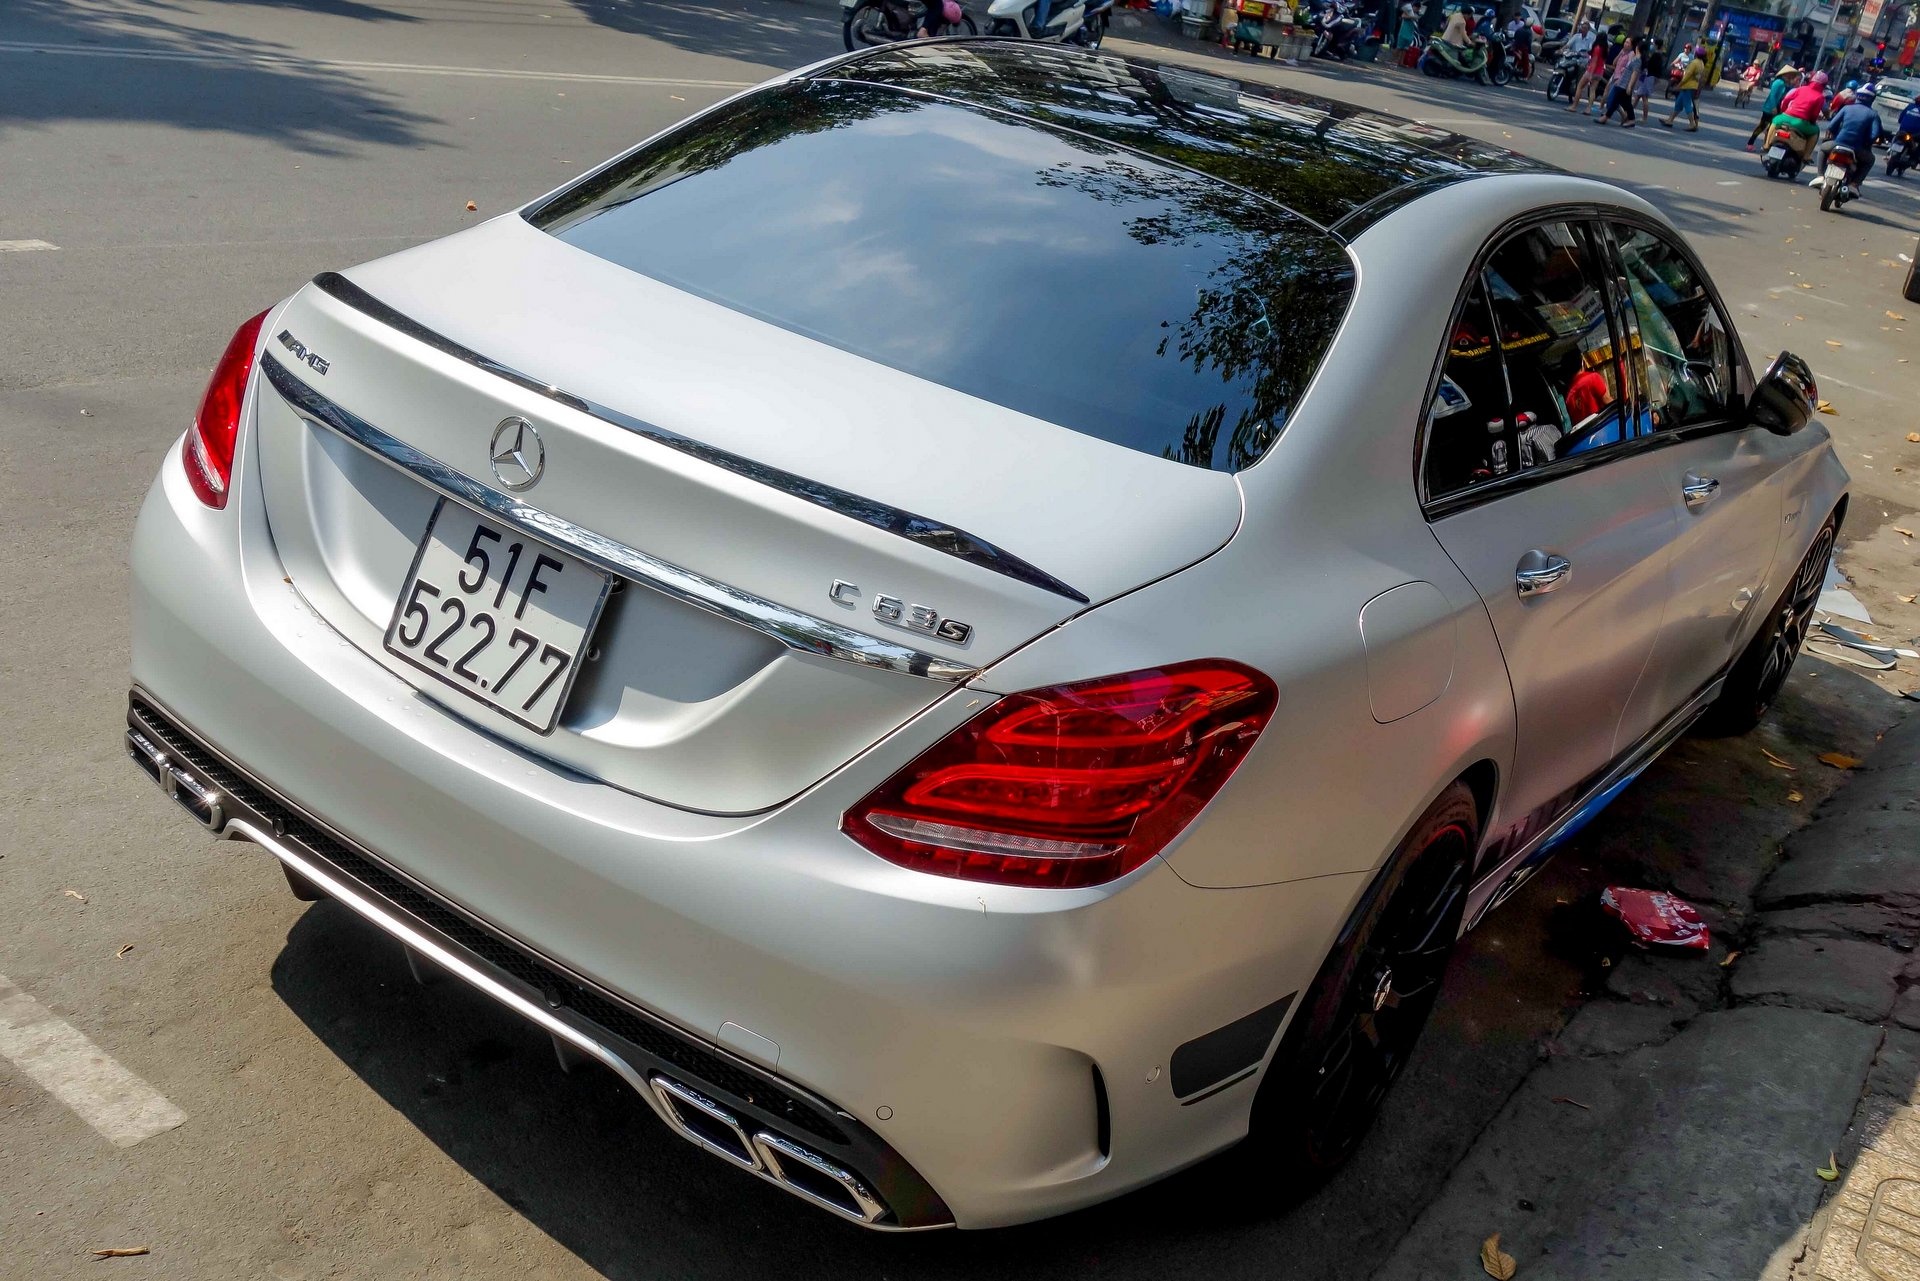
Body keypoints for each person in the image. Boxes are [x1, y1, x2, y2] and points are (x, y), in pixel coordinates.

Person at [1813, 85, 1882, 191]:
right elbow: (1874, 135)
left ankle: (1820, 176)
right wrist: (1867, 143)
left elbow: (1831, 126)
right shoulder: (1873, 114)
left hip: (1838, 143)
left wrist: (1834, 134)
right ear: (1872, 99)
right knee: (1870, 160)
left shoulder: (1847, 108)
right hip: (1858, 149)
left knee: (1823, 149)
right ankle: (1854, 184)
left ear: (1857, 96)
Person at [1748, 65, 1801, 149]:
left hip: (1778, 109)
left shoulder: (1785, 84)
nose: (1791, 76)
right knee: (1762, 126)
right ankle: (1750, 142)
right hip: (1770, 108)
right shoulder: (1778, 82)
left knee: (1772, 128)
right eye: (1791, 75)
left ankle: (1766, 144)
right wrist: (1773, 107)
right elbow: (1773, 95)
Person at [1660, 44, 1711, 129]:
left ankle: (1692, 124)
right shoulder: (1701, 63)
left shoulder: (1694, 63)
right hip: (1692, 86)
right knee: (1679, 104)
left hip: (1687, 86)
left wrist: (1679, 85)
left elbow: (1687, 76)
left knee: (1687, 105)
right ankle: (1670, 120)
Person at [1597, 35, 1642, 126]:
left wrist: (1629, 86)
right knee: (1623, 101)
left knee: (1614, 99)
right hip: (1619, 79)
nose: (1626, 44)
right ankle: (1627, 118)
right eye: (1625, 42)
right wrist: (1621, 53)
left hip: (1622, 81)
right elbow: (1615, 63)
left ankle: (1607, 117)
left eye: (1628, 43)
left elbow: (1634, 72)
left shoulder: (1633, 56)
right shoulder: (1625, 53)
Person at [1570, 27, 1609, 112]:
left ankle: (1574, 106)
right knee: (1592, 90)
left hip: (1592, 70)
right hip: (1600, 72)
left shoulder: (1597, 48)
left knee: (1580, 87)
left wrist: (1590, 74)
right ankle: (1588, 108)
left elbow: (1594, 62)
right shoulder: (1605, 49)